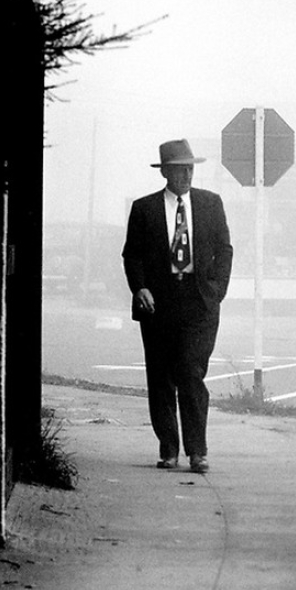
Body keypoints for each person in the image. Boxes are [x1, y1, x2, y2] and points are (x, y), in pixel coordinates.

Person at [122, 139, 233, 473]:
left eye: (190, 168)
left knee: (190, 372)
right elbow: (132, 254)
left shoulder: (211, 204)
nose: (186, 174)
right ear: (165, 172)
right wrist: (140, 287)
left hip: (199, 305)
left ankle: (197, 451)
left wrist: (216, 290)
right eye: (180, 169)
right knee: (160, 377)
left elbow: (224, 250)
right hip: (158, 305)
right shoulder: (145, 209)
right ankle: (168, 448)